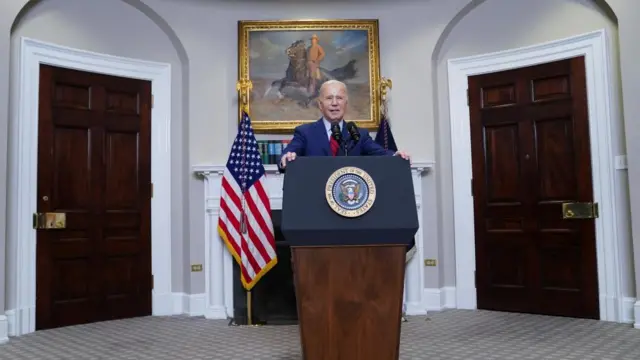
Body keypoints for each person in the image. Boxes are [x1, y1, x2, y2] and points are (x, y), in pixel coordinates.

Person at [279, 80, 410, 171]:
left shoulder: (359, 134)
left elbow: (380, 153)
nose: (334, 103)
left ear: (345, 104)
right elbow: (287, 154)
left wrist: (395, 157)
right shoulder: (305, 132)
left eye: (339, 98)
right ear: (320, 104)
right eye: (329, 98)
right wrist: (286, 158)